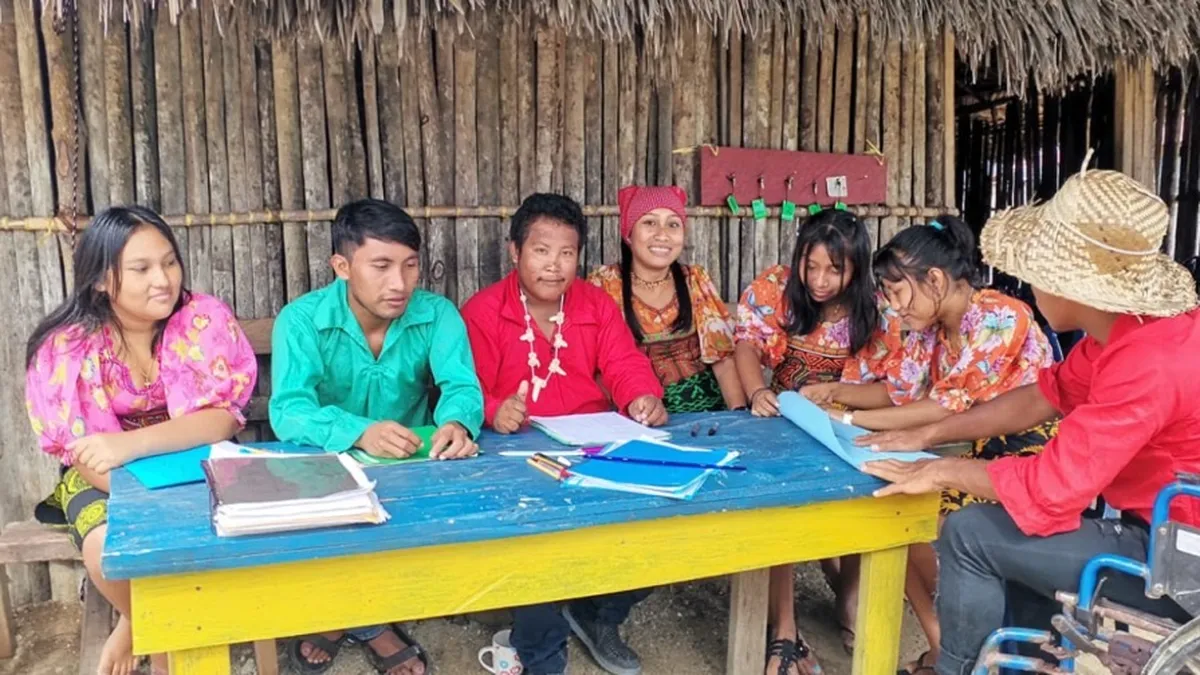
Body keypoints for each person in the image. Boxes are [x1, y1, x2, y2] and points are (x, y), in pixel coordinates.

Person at [857, 166, 1200, 675]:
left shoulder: (1146, 363)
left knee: (970, 534)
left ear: (1072, 285)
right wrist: (927, 435)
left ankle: (953, 668)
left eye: (1038, 274)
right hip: (1158, 530)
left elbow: (1051, 489)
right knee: (1008, 533)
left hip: (1180, 564)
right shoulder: (1128, 332)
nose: (1031, 286)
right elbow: (1044, 395)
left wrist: (939, 469)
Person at [800, 214, 1055, 673]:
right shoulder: (929, 331)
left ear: (934, 280)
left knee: (931, 523)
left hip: (1031, 453)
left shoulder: (1000, 316)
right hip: (969, 448)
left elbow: (944, 405)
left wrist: (851, 418)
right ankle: (944, 651)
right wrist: (834, 393)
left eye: (897, 292)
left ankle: (959, 654)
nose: (894, 307)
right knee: (898, 517)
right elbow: (899, 391)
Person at [24, 206, 257, 675]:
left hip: (198, 468)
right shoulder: (67, 348)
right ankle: (149, 626)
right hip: (107, 480)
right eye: (142, 268)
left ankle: (140, 629)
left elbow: (221, 420)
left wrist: (132, 444)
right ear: (101, 280)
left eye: (169, 262)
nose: (163, 280)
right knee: (106, 546)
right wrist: (145, 495)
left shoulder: (202, 319)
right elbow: (90, 457)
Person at [271, 199, 484, 675]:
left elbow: (461, 386)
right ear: (342, 266)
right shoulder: (301, 320)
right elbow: (288, 410)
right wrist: (359, 431)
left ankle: (343, 620)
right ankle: (372, 626)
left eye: (410, 265)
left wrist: (457, 424)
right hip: (325, 469)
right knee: (331, 529)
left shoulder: (437, 314)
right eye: (381, 266)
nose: (399, 283)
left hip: (413, 466)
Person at [461, 193, 666, 675]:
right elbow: (463, 389)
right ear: (515, 252)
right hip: (513, 457)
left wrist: (642, 396)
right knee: (531, 539)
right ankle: (542, 650)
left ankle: (598, 614)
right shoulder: (483, 312)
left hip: (592, 447)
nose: (554, 266)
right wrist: (493, 410)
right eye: (541, 251)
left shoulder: (595, 305)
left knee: (662, 524)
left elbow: (626, 364)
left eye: (567, 253)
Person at [733, 206, 888, 675]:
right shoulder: (776, 288)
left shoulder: (878, 308)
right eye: (811, 265)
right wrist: (757, 392)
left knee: (869, 493)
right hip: (783, 420)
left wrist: (837, 398)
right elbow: (747, 345)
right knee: (781, 503)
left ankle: (849, 592)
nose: (819, 280)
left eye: (834, 269)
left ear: (857, 267)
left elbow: (891, 389)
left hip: (850, 422)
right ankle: (785, 626)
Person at [588, 185, 745, 412]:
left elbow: (723, 359)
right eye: (649, 222)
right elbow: (595, 368)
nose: (662, 235)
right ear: (628, 234)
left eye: (673, 224)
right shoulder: (603, 284)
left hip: (708, 412)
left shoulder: (694, 279)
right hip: (640, 411)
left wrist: (738, 416)